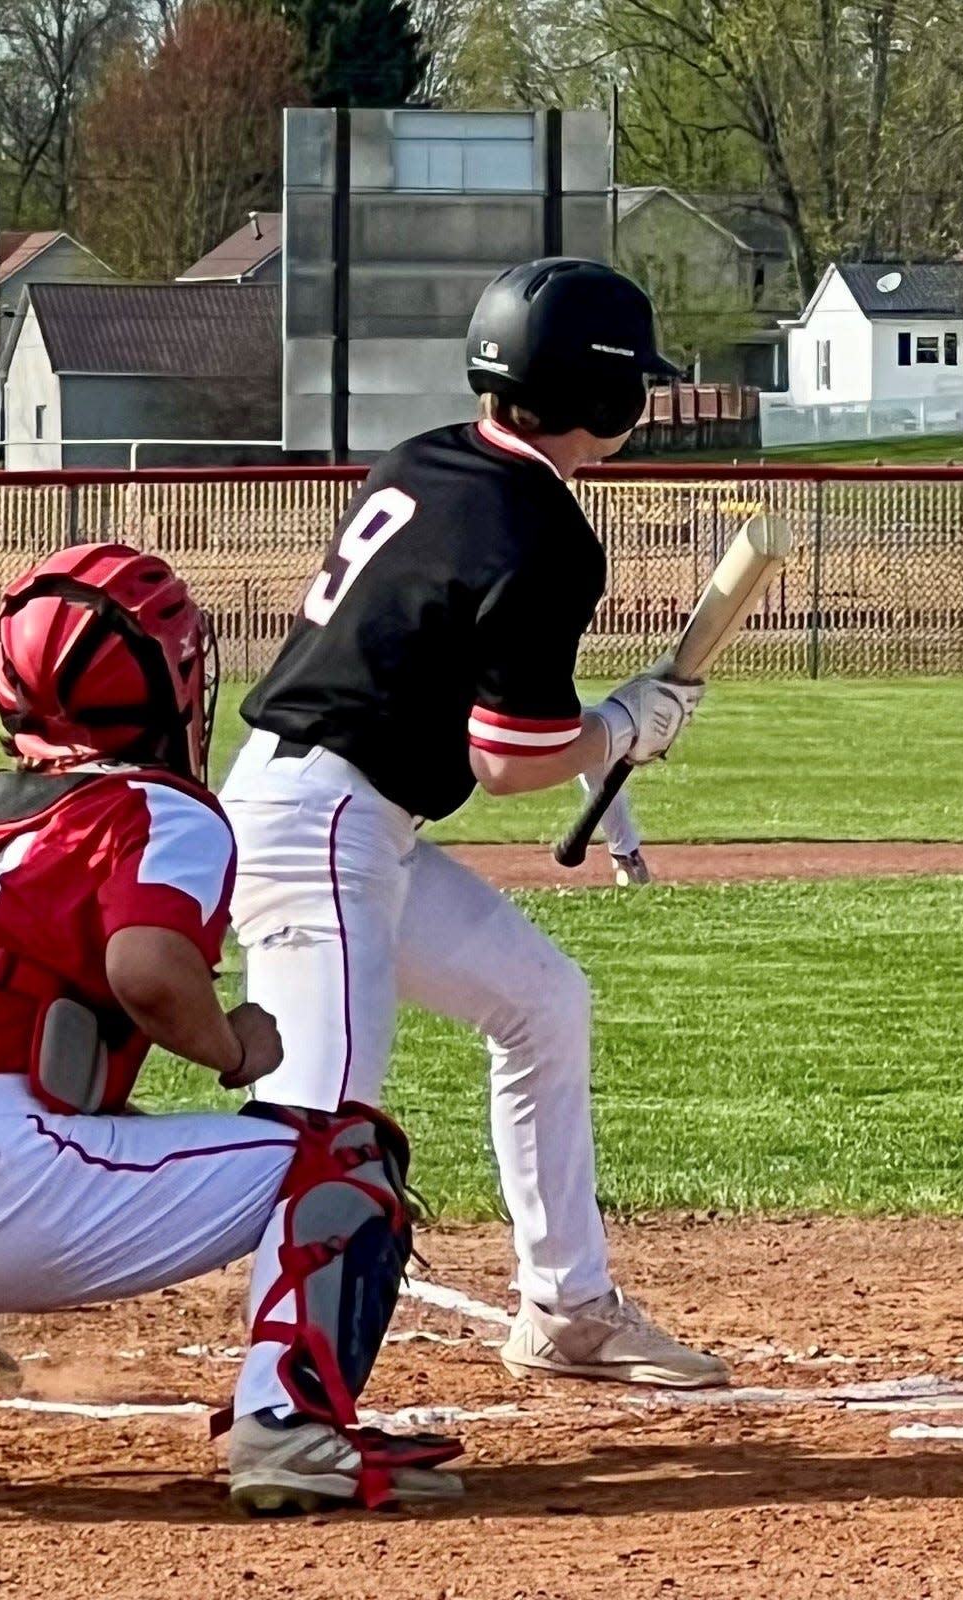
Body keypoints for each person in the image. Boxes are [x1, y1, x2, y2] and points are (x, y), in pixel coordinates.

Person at [0, 543, 462, 1513]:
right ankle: (290, 1428)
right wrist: (234, 1046)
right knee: (345, 1154)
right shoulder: (155, 806)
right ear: (169, 680)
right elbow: (144, 970)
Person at [220, 258, 730, 1389]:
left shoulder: (428, 455)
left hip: (337, 811)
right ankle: (277, 1396)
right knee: (319, 1119)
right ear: (602, 398)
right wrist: (619, 727)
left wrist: (607, 724)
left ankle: (569, 1308)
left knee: (543, 1001)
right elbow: (508, 758)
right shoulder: (545, 528)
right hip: (322, 831)